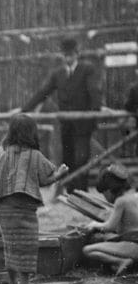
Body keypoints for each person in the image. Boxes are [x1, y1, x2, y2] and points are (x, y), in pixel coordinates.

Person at [0, 114, 68, 284]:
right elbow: (45, 180)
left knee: (10, 245)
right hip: (26, 210)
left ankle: (11, 283)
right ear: (32, 133)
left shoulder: (3, 156)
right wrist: (59, 175)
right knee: (27, 246)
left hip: (5, 209)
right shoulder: (35, 156)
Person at [20, 37, 103, 193]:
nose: (68, 58)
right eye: (66, 55)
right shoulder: (58, 74)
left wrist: (94, 111)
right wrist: (25, 110)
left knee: (82, 158)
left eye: (71, 55)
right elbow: (43, 92)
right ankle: (71, 192)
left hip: (83, 123)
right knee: (68, 158)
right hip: (66, 124)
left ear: (77, 54)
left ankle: (82, 191)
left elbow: (94, 91)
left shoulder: (87, 69)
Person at [82, 164, 138, 275]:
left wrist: (94, 224)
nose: (105, 198)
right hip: (134, 243)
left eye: (104, 194)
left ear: (109, 190)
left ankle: (122, 261)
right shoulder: (135, 196)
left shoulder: (120, 201)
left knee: (87, 250)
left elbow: (109, 227)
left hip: (133, 245)